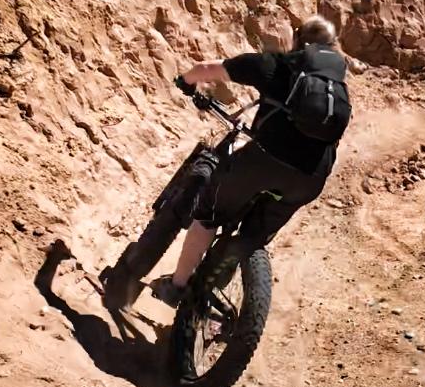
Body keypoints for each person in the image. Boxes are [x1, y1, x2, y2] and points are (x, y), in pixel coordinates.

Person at [147, 15, 350, 308]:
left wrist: (186, 82)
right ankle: (214, 292)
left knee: (209, 212)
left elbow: (207, 69)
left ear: (299, 41)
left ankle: (177, 287)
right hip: (310, 179)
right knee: (252, 237)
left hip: (265, 161)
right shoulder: (337, 92)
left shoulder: (276, 67)